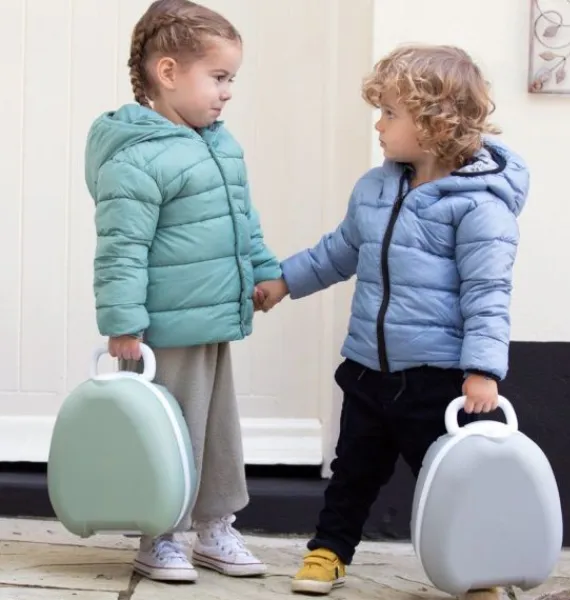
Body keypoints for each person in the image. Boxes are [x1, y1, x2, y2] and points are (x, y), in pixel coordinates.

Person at [255, 44, 529, 597]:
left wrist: (482, 371)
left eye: (389, 113)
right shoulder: (375, 188)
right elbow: (339, 251)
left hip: (438, 378)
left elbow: (487, 294)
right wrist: (284, 281)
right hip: (368, 369)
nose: (378, 125)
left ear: (434, 121)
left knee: (454, 480)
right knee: (352, 471)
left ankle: (478, 571)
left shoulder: (479, 206)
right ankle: (329, 551)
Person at [84, 0, 281, 584]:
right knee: (169, 432)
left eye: (231, 79)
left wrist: (264, 269)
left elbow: (244, 219)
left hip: (214, 316)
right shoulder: (137, 158)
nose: (227, 93)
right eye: (218, 77)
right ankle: (159, 533)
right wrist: (123, 322)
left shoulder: (219, 144)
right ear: (167, 72)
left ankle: (215, 525)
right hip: (163, 328)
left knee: (217, 433)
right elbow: (121, 248)